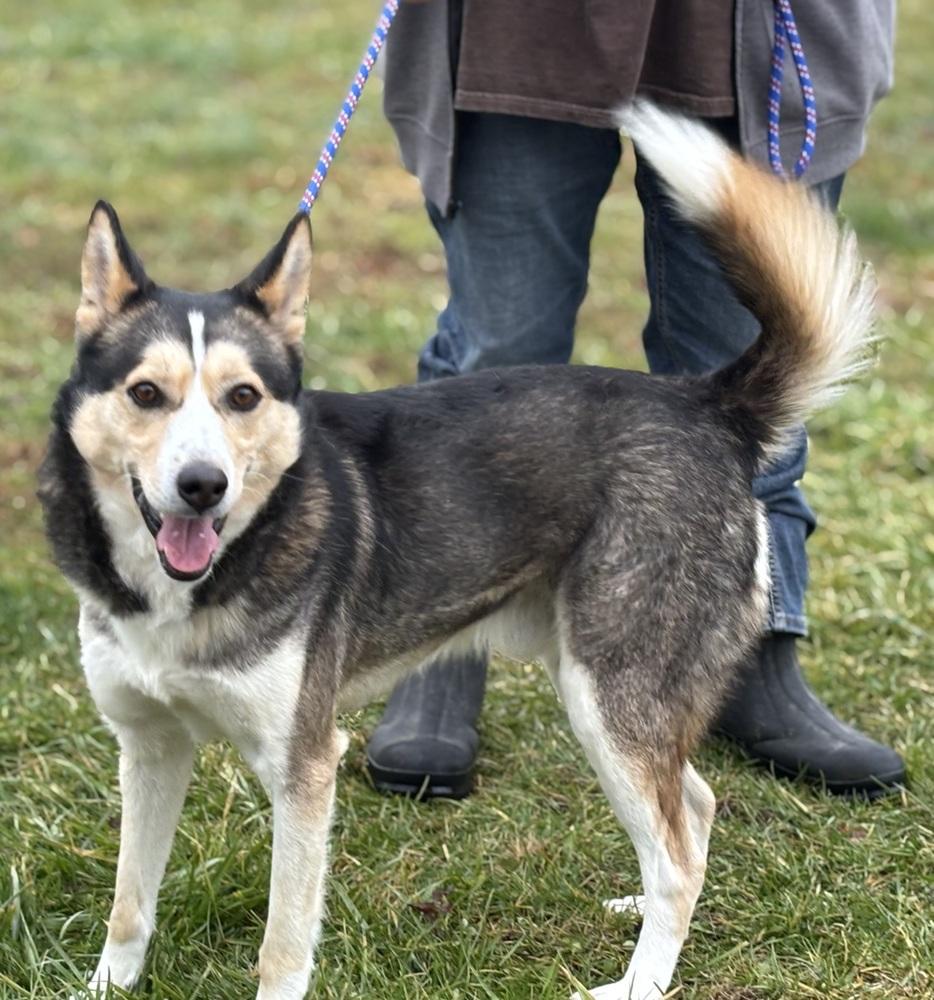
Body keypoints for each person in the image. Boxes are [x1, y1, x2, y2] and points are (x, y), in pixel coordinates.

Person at [365, 0, 905, 799]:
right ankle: (444, 647)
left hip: (743, 28)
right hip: (518, 31)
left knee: (749, 383)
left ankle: (752, 648)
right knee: (496, 354)